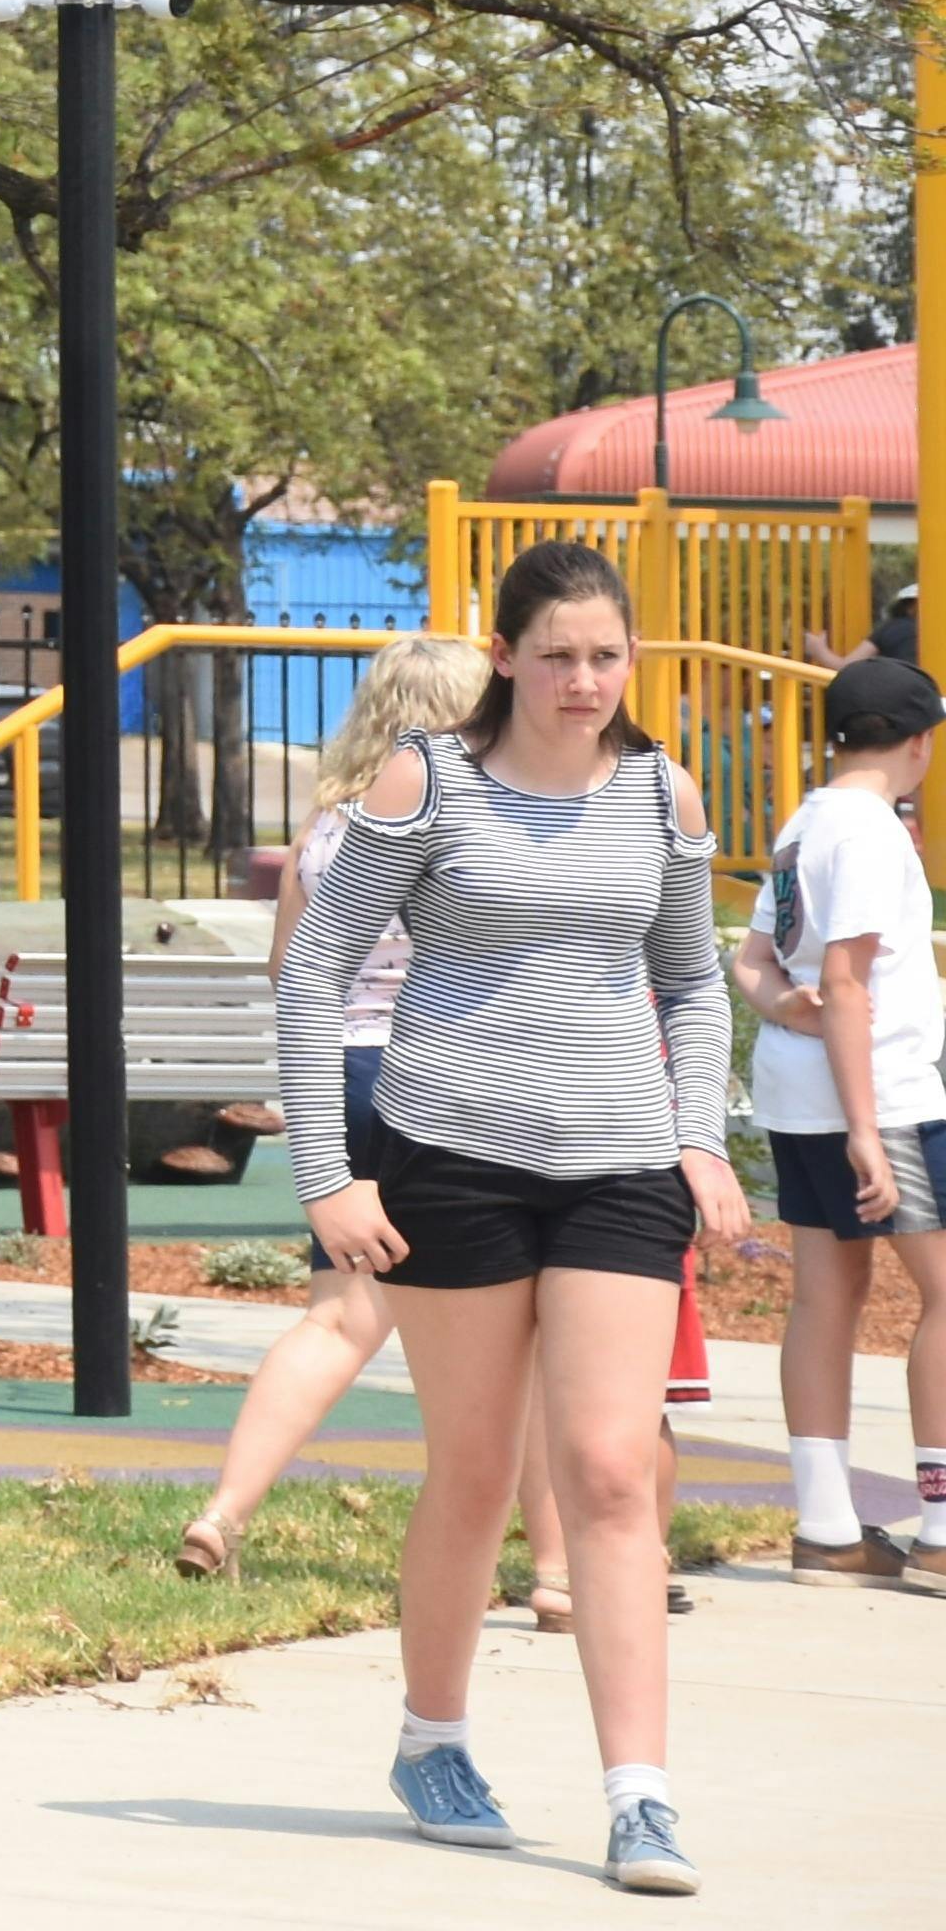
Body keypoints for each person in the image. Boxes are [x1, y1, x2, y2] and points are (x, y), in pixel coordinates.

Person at [278, 538, 742, 1891]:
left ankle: (641, 1797)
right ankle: (432, 1739)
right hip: (451, 1161)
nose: (584, 680)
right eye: (557, 658)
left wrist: (698, 1140)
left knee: (607, 1472)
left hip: (618, 1166)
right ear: (506, 657)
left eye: (606, 656)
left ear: (632, 659)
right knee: (476, 1474)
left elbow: (693, 981)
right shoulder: (428, 783)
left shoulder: (664, 792)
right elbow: (315, 974)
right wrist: (329, 1172)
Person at [176, 629, 499, 1578]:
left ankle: (224, 1513)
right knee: (500, 1324)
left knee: (337, 1319)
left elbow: (292, 970)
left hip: (340, 1074)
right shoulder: (466, 817)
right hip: (440, 1076)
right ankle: (561, 1565)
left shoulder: (328, 826)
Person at [747, 645, 945, 1581]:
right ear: (918, 743)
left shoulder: (806, 823)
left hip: (799, 1090)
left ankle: (828, 1525)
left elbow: (757, 962)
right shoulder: (871, 832)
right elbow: (846, 979)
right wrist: (869, 1128)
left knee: (827, 1295)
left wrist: (786, 1011)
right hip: (885, 1096)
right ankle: (942, 1527)